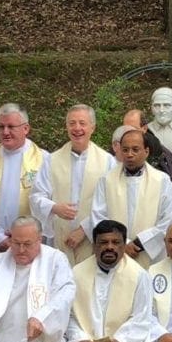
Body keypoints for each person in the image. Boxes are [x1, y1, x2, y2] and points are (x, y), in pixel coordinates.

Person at [30, 105, 115, 265]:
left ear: (92, 127)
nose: (77, 128)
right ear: (66, 127)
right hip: (59, 238)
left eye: (82, 123)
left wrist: (85, 229)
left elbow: (112, 202)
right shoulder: (51, 160)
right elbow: (36, 196)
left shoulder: (107, 161)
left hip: (92, 239)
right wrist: (54, 207)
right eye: (72, 123)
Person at [0, 103, 49, 259]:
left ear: (26, 128)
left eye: (11, 126)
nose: (5, 132)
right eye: (1, 127)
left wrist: (27, 239)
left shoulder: (44, 160)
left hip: (31, 245)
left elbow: (47, 202)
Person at [90, 129, 172, 268]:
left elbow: (169, 219)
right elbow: (98, 216)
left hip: (149, 255)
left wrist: (138, 243)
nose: (129, 154)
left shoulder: (162, 180)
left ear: (146, 151)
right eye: (125, 150)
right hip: (115, 252)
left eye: (135, 149)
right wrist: (122, 243)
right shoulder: (106, 180)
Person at [123, 109, 172, 192]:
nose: (129, 133)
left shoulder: (160, 154)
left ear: (144, 128)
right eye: (125, 129)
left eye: (133, 129)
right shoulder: (117, 149)